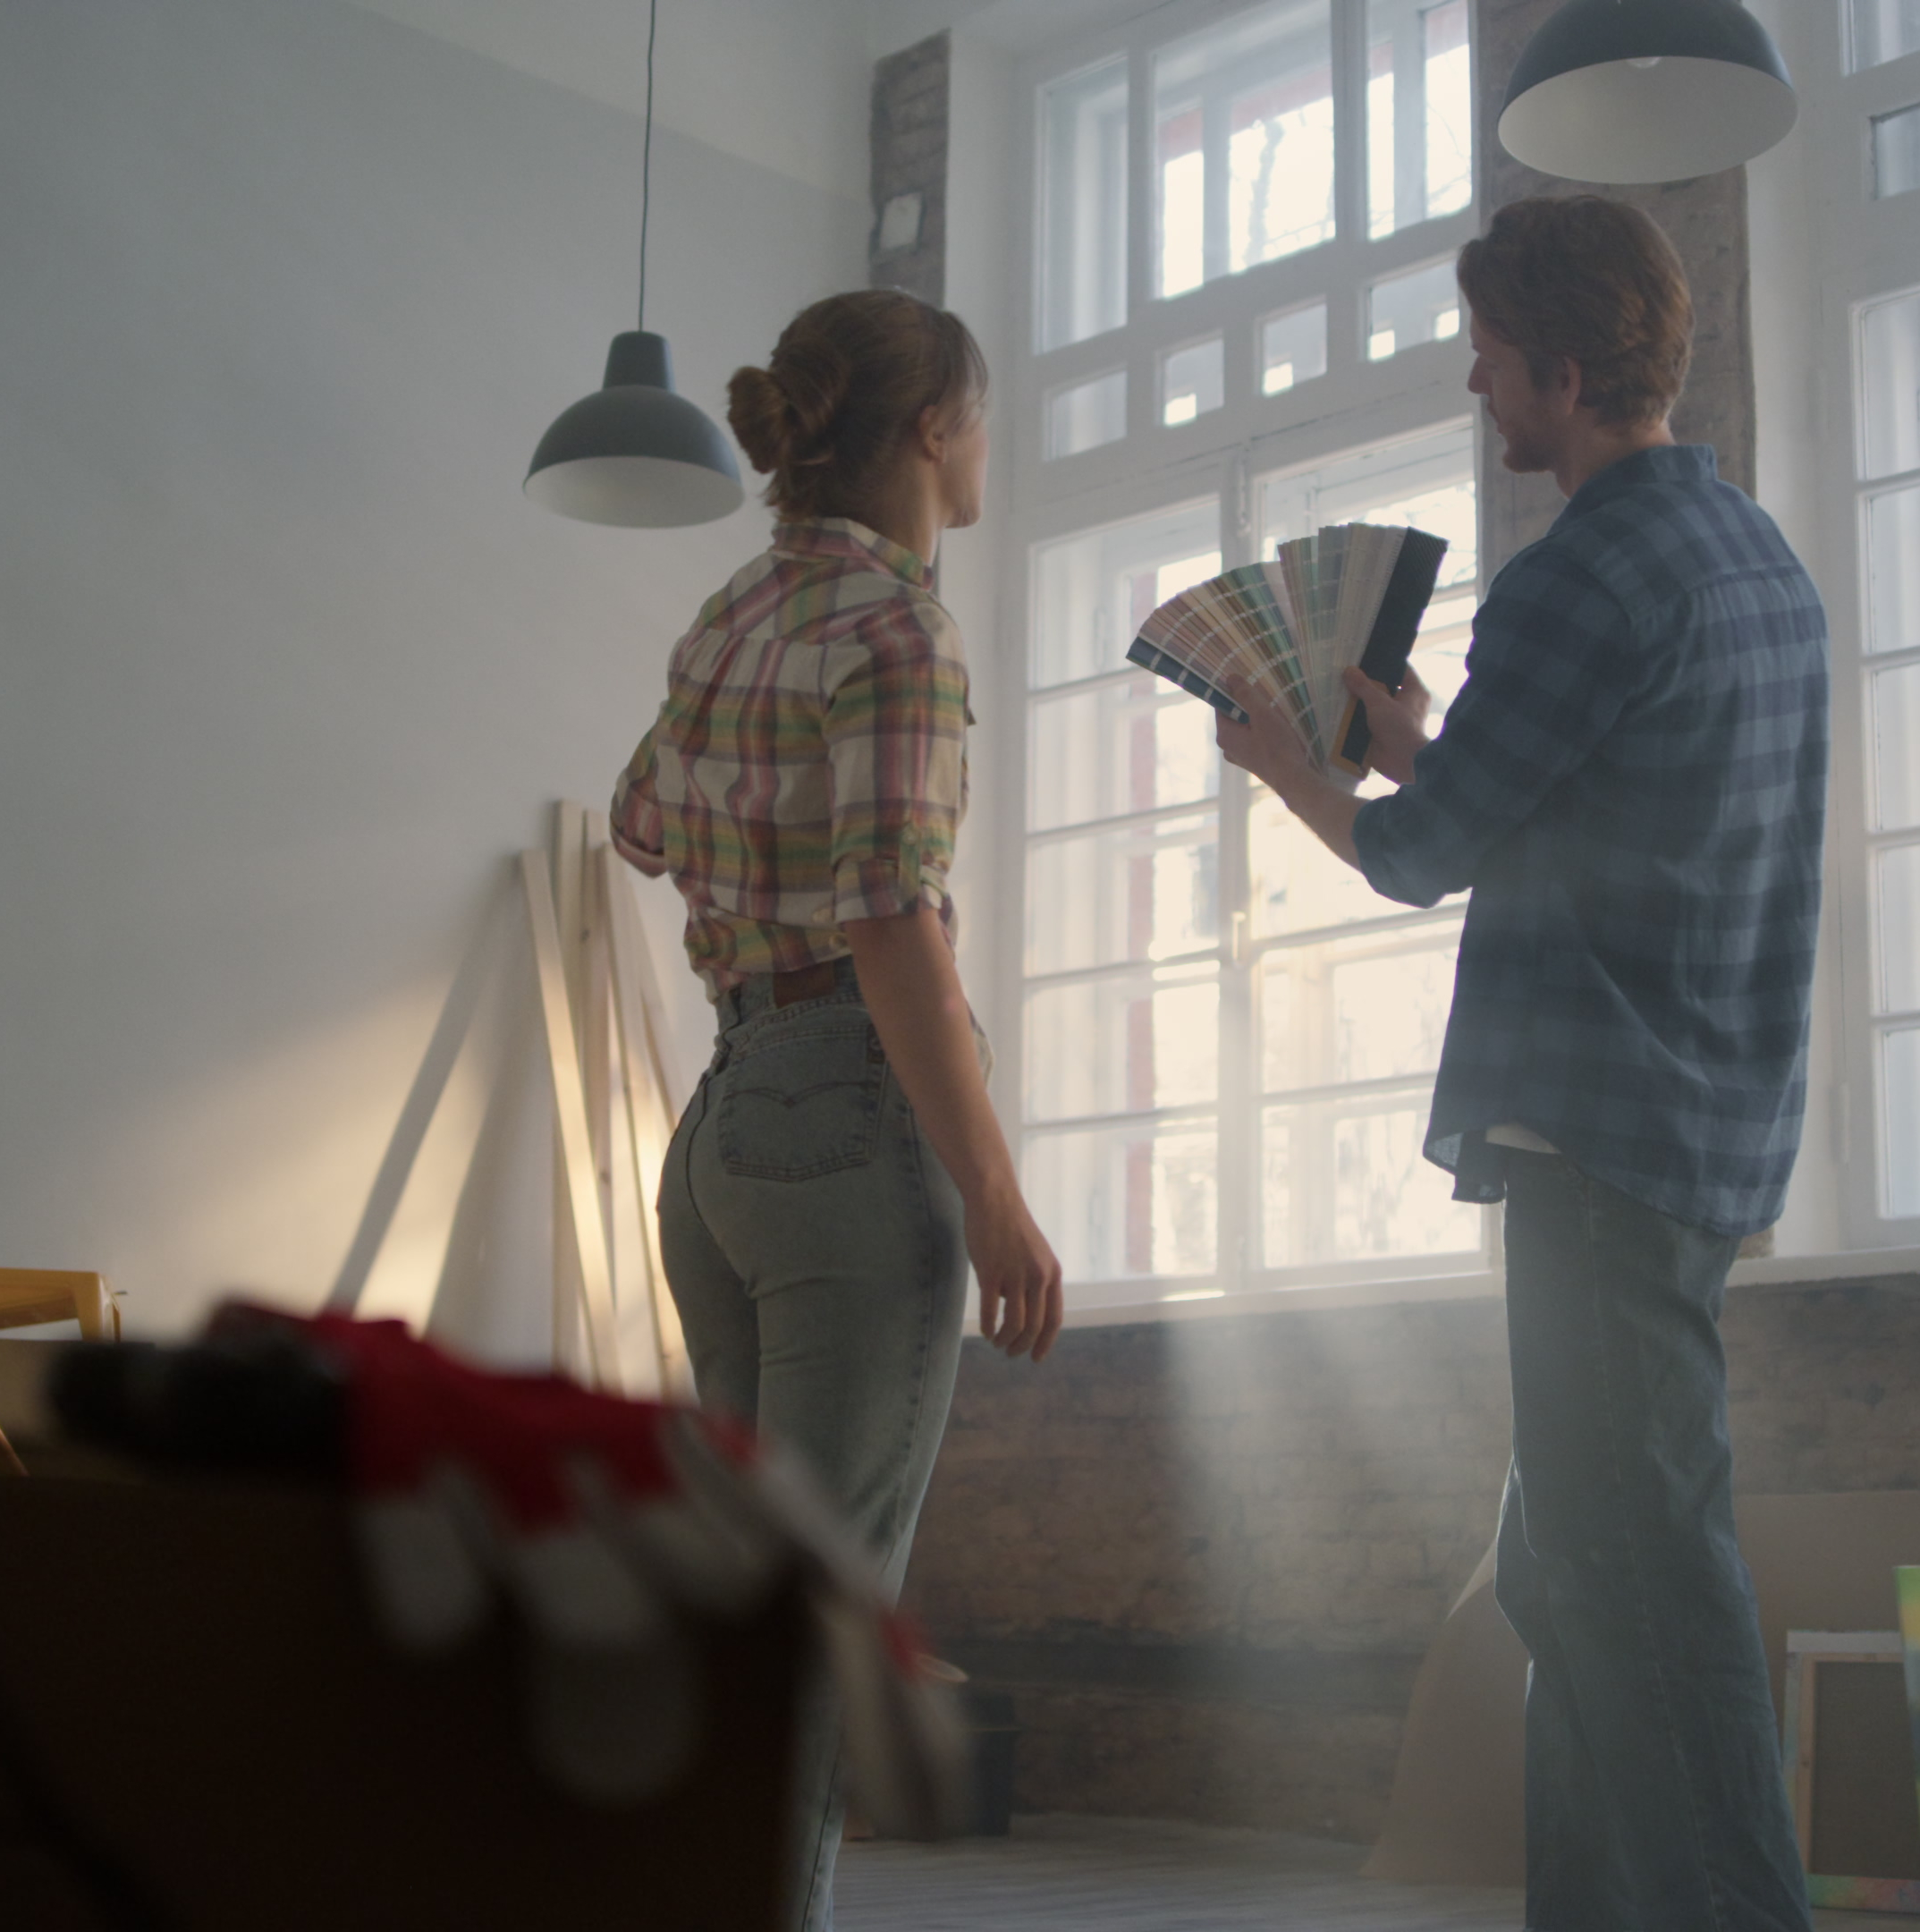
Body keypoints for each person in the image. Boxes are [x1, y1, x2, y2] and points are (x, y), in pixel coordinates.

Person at [1213, 197, 1828, 1932]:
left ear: (1564, 365)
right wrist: (1428, 742)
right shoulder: (1747, 554)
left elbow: (1425, 860)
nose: (1475, 376)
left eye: (1489, 347)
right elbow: (1594, 805)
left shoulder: (1580, 574)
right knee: (1573, 1565)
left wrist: (1290, 766)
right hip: (1700, 1126)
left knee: (1639, 1581)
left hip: (1595, 1135)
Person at [610, 286, 1062, 1929]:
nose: (987, 446)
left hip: (725, 1134)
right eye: (984, 418)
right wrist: (995, 1189)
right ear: (937, 430)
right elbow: (893, 926)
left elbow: (639, 823)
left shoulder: (732, 610)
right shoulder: (896, 627)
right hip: (843, 1135)